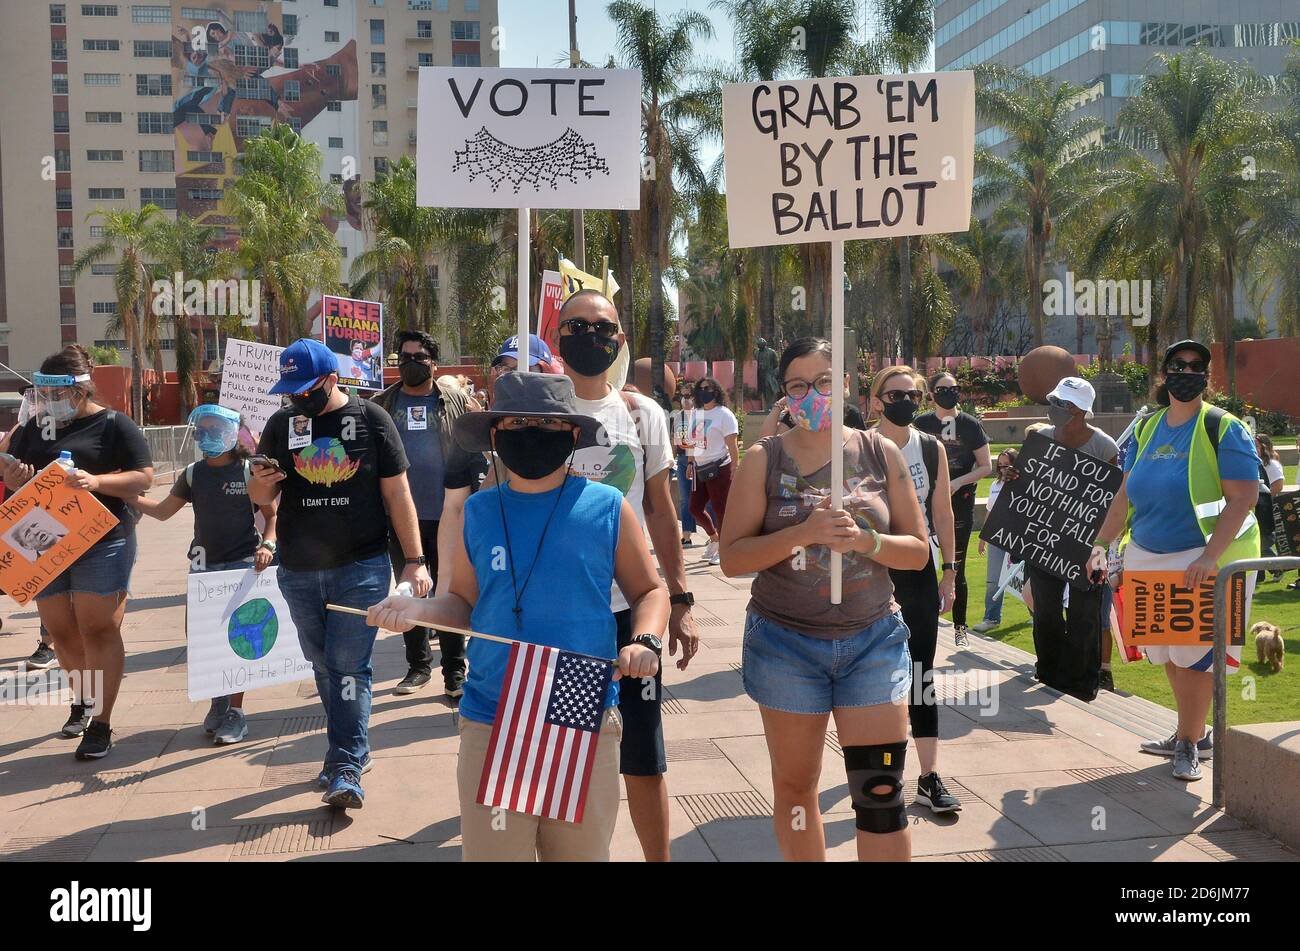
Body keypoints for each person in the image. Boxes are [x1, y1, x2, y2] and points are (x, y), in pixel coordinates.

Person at [366, 372, 669, 861]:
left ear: (572, 433)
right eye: (516, 421)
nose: (529, 431)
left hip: (581, 705)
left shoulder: (607, 507)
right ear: (495, 433)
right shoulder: (478, 512)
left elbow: (650, 591)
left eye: (544, 422)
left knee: (579, 854)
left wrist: (646, 641)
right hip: (493, 708)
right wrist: (417, 609)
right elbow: (461, 602)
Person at [719, 337, 930, 861]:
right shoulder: (761, 460)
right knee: (796, 789)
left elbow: (919, 552)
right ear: (784, 394)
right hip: (785, 645)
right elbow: (733, 558)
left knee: (879, 789)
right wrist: (802, 533)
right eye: (797, 385)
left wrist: (866, 541)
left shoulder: (881, 452)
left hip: (872, 642)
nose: (810, 393)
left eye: (822, 382)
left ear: (845, 385)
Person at [249, 338, 432, 808]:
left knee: (350, 665)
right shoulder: (280, 424)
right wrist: (259, 485)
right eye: (289, 390)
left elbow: (398, 495)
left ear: (332, 379)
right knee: (323, 664)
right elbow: (261, 500)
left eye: (304, 388)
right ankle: (349, 747)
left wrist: (414, 561)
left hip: (362, 565)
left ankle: (346, 765)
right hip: (298, 569)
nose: (296, 398)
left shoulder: (372, 420)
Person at [551, 289, 699, 862]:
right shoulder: (539, 414)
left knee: (642, 754)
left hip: (629, 613)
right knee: (569, 754)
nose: (591, 336)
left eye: (603, 326)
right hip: (561, 615)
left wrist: (679, 599)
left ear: (619, 338)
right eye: (576, 326)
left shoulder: (642, 414)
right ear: (558, 336)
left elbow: (662, 512)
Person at [1089, 341, 1260, 781]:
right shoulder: (1146, 428)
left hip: (1201, 559)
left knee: (1197, 654)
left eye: (1196, 366)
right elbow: (1124, 495)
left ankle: (1188, 744)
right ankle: (1193, 731)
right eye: (1177, 365)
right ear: (1163, 374)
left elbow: (1243, 498)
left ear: (1207, 376)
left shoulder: (1224, 427)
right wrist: (1101, 543)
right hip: (1148, 555)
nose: (1187, 372)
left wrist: (1209, 556)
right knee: (1164, 648)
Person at [2, 345, 154, 759]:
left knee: (98, 628)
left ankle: (101, 723)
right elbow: (20, 479)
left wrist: (95, 481)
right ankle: (82, 699)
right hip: (44, 541)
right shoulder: (34, 428)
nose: (48, 402)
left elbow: (144, 478)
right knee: (63, 632)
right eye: (42, 395)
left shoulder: (115, 425)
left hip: (103, 540)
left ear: (80, 390)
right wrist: (13, 475)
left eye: (56, 394)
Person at [128, 404, 277, 744]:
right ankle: (218, 701)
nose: (206, 436)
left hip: (241, 565)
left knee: (239, 641)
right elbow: (164, 511)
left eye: (215, 429)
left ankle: (236, 713)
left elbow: (272, 516)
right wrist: (128, 495)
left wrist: (268, 546)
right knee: (204, 641)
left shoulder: (248, 471)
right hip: (203, 568)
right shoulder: (193, 473)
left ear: (232, 433)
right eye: (201, 430)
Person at [372, 330, 486, 699]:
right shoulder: (382, 404)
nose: (411, 363)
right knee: (411, 591)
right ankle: (418, 667)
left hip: (449, 516)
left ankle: (454, 672)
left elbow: (479, 445)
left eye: (419, 357)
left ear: (433, 363)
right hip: (402, 520)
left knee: (449, 590)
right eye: (404, 357)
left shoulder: (456, 400)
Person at [868, 366, 961, 814]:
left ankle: (927, 776)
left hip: (919, 570)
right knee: (876, 675)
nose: (903, 401)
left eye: (912, 394)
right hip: (870, 572)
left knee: (921, 674)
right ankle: (880, 771)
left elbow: (942, 513)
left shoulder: (930, 446)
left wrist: (950, 572)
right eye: (894, 394)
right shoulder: (859, 445)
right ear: (876, 399)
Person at [1024, 377, 1119, 699]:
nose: (1055, 409)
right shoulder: (1040, 438)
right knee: (1047, 610)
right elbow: (1027, 487)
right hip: (1045, 539)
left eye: (1062, 404)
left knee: (1085, 614)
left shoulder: (1104, 447)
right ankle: (1049, 671)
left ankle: (1082, 681)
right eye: (1055, 401)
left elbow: (1111, 499)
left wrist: (1100, 547)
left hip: (1086, 543)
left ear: (1080, 411)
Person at [915, 371, 991, 648]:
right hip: (923, 504)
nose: (949, 392)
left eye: (954, 388)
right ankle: (921, 624)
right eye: (942, 388)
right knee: (920, 565)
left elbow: (986, 466)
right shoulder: (920, 423)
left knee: (955, 568)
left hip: (960, 505)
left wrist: (958, 481)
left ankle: (960, 629)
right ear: (931, 392)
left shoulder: (970, 424)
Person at [684, 376, 739, 566]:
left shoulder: (724, 414)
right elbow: (693, 442)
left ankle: (724, 549)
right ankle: (714, 539)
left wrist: (735, 468)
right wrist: (690, 463)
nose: (704, 391)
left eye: (708, 387)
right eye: (700, 388)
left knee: (720, 509)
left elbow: (732, 444)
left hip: (720, 467)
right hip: (699, 468)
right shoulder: (696, 413)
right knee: (694, 507)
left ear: (716, 391)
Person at [973, 449, 1019, 634]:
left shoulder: (1021, 484)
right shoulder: (994, 484)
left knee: (1025, 578)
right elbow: (990, 512)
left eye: (1006, 465)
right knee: (993, 580)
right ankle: (991, 618)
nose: (1001, 469)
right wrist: (983, 537)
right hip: (997, 537)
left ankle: (1036, 615)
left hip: (1017, 536)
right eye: (999, 465)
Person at [1254, 433, 1284, 583]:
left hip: (1267, 506)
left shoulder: (1271, 464)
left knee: (1263, 543)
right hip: (1258, 506)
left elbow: (1278, 485)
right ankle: (1259, 575)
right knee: (1258, 542)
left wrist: (1264, 498)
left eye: (1256, 445)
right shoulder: (1256, 462)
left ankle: (1277, 568)